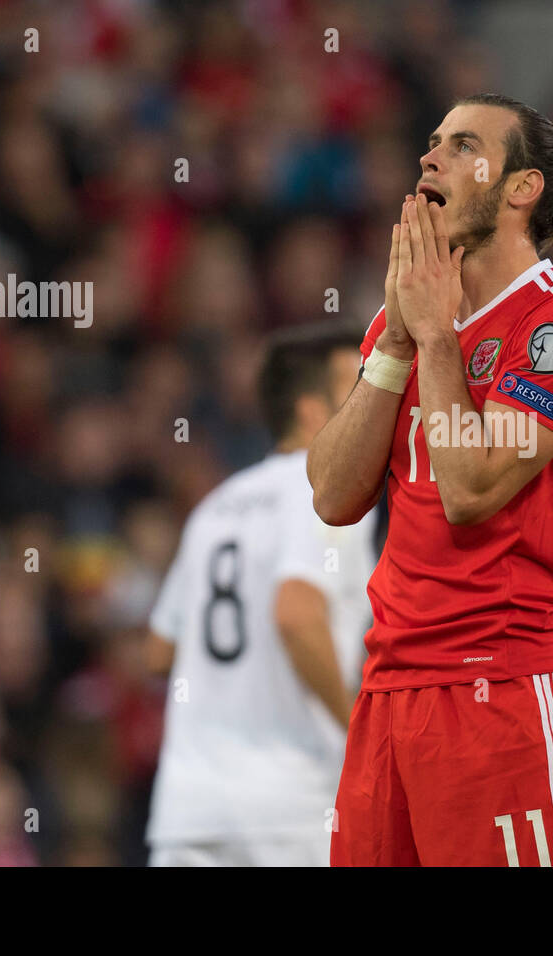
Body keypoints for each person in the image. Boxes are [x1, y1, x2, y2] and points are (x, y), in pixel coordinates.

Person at [308, 93, 553, 866]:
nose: (429, 158)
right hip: (388, 691)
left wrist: (438, 339)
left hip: (504, 688)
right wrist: (396, 343)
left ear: (519, 190)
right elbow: (331, 495)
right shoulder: (409, 319)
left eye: (460, 144)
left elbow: (473, 488)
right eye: (431, 141)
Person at [145, 327, 375, 866]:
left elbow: (158, 651)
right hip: (287, 810)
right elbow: (295, 614)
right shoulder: (331, 493)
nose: (376, 400)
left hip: (189, 811)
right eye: (358, 389)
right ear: (314, 411)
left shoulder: (217, 506)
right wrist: (359, 730)